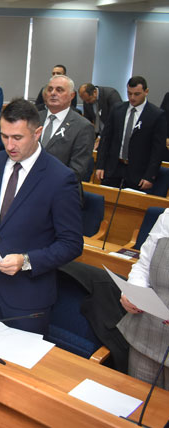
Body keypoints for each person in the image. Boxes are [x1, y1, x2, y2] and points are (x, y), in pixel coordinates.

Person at [0, 99, 83, 335]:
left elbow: (71, 244)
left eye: (17, 137)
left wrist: (26, 260)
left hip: (29, 297)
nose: (10, 145)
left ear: (37, 133)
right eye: (4, 136)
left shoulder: (60, 178)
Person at [117, 208, 169, 389]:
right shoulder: (167, 216)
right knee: (137, 398)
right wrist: (133, 292)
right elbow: (143, 265)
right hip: (146, 334)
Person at [95, 76, 167, 191]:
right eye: (129, 93)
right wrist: (100, 165)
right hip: (113, 168)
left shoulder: (156, 115)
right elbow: (106, 139)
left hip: (138, 173)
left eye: (137, 94)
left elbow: (157, 150)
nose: (132, 97)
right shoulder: (117, 109)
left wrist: (150, 176)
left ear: (146, 91)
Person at [38, 75, 95, 183]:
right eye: (50, 89)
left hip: (60, 188)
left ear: (71, 95)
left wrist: (44, 183)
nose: (53, 93)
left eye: (59, 90)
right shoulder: (34, 118)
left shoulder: (83, 127)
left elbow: (77, 170)